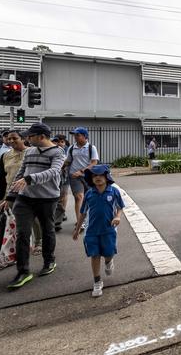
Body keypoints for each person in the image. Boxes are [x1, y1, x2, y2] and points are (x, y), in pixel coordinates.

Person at [5, 123, 65, 289]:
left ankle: (49, 261)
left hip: (47, 199)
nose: (27, 139)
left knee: (47, 230)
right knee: (22, 233)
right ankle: (23, 271)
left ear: (41, 136)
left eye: (30, 136)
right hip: (25, 199)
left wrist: (30, 179)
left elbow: (54, 172)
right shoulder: (29, 151)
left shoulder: (58, 153)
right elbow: (21, 172)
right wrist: (11, 195)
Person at [72, 165, 125, 297]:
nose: (97, 178)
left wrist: (117, 216)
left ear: (107, 176)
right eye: (94, 176)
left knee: (109, 253)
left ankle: (108, 261)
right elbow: (83, 213)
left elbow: (120, 207)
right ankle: (97, 281)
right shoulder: (89, 193)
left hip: (109, 230)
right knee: (94, 255)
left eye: (100, 175)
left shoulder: (114, 192)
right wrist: (77, 229)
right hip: (91, 231)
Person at [0, 130, 26, 273]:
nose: (11, 141)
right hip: (10, 196)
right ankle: (8, 257)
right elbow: (1, 180)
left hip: (30, 196)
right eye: (8, 138)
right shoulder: (5, 156)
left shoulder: (31, 153)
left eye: (14, 138)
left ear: (22, 139)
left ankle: (36, 250)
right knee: (10, 228)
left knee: (27, 229)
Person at [65, 127, 99, 232]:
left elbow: (94, 162)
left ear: (85, 136)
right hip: (74, 176)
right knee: (79, 197)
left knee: (90, 199)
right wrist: (59, 168)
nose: (75, 137)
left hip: (87, 176)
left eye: (77, 135)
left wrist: (82, 171)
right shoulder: (71, 148)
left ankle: (89, 219)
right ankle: (81, 223)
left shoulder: (91, 148)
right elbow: (68, 161)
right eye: (74, 135)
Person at [53, 135, 70, 232]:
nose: (59, 143)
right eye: (56, 141)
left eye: (62, 142)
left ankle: (57, 221)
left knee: (61, 198)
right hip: (50, 180)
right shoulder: (49, 151)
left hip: (63, 178)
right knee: (54, 200)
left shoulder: (67, 151)